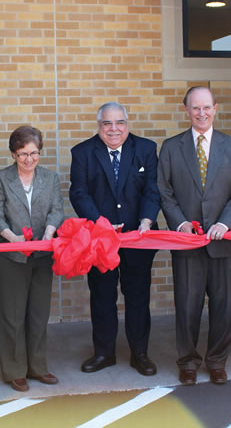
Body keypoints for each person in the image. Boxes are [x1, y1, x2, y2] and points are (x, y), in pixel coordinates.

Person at [157, 86, 231, 386]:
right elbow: (164, 191)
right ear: (186, 110)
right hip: (187, 243)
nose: (201, 113)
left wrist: (225, 223)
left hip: (223, 242)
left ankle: (217, 360)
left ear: (215, 108)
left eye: (206, 107)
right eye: (195, 108)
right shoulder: (171, 148)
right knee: (187, 305)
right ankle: (188, 361)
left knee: (223, 306)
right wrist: (180, 223)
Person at [69, 102, 161, 376]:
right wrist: (101, 223)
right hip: (100, 240)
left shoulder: (145, 149)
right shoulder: (83, 153)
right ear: (99, 126)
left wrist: (147, 220)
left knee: (137, 297)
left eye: (119, 122)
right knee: (102, 296)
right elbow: (79, 193)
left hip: (138, 238)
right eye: (107, 123)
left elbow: (153, 189)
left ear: (127, 123)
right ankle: (104, 353)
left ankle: (140, 354)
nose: (114, 129)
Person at [0, 125, 65, 392]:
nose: (29, 159)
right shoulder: (0, 179)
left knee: (38, 313)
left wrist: (50, 233)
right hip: (11, 255)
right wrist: (12, 237)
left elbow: (56, 210)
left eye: (34, 153)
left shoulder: (50, 178)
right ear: (13, 154)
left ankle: (38, 367)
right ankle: (14, 370)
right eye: (22, 154)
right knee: (12, 314)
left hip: (42, 255)